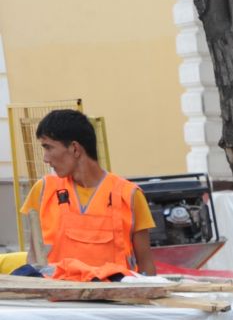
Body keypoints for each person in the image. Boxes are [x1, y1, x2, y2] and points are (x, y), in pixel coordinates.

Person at [17, 108, 155, 279]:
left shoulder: (129, 195)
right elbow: (34, 258)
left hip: (116, 301)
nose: (45, 158)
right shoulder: (43, 190)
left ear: (75, 149)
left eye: (48, 147)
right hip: (58, 301)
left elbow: (147, 265)